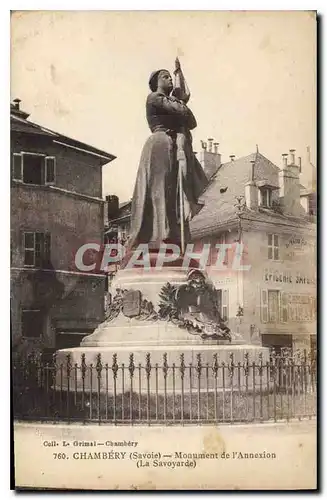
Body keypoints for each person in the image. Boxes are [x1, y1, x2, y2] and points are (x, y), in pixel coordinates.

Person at [127, 67, 209, 252]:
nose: (170, 80)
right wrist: (180, 103)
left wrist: (180, 105)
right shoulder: (155, 98)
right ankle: (160, 235)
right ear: (156, 82)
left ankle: (172, 235)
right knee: (160, 189)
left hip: (172, 147)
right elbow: (181, 111)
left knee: (173, 193)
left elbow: (192, 121)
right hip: (160, 145)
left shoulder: (171, 101)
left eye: (171, 77)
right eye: (166, 77)